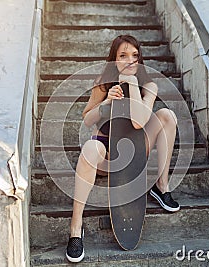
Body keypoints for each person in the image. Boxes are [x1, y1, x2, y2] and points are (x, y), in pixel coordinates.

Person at [66, 35, 179, 263]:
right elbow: (88, 120)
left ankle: (161, 186)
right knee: (89, 148)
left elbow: (139, 122)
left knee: (167, 116)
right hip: (106, 152)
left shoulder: (149, 85)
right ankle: (75, 229)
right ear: (114, 59)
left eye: (135, 56)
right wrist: (106, 102)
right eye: (123, 56)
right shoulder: (103, 82)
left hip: (136, 150)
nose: (130, 61)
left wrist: (132, 85)